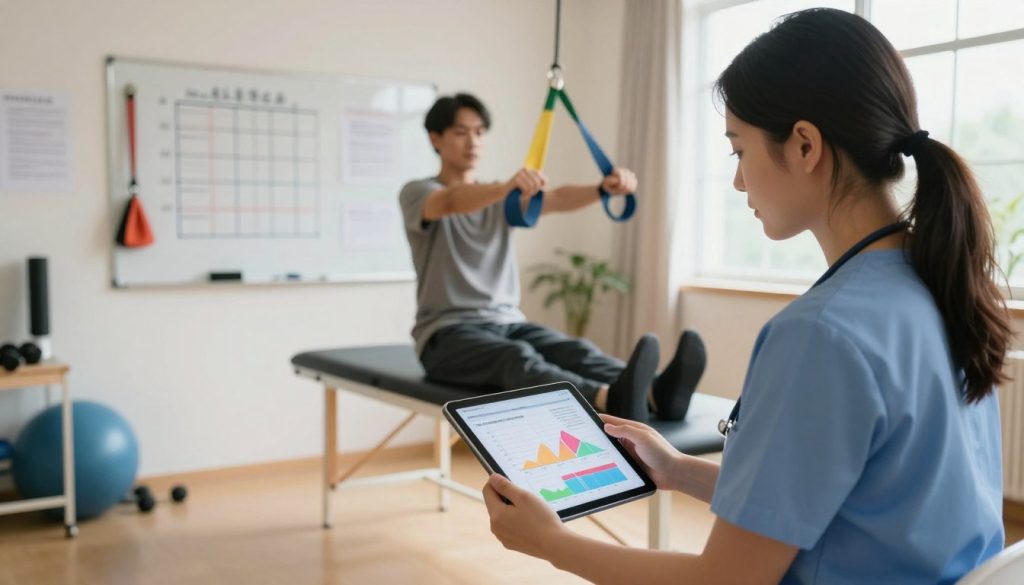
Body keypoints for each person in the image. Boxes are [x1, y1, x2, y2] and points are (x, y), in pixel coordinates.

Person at [482, 8, 1013, 584]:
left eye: (739, 150)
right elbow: (852, 508)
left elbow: (725, 581)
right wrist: (681, 471)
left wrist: (552, 544)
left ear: (804, 145)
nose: (738, 181)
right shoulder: (937, 283)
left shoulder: (823, 334)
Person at [399, 92, 707, 422]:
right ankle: (606, 399)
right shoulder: (418, 193)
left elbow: (556, 198)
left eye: (479, 132)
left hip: (506, 322)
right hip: (446, 337)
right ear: (435, 138)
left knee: (574, 350)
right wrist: (505, 189)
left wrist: (603, 189)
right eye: (461, 132)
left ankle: (656, 391)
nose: (472, 141)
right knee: (516, 358)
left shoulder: (500, 196)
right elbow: (450, 202)